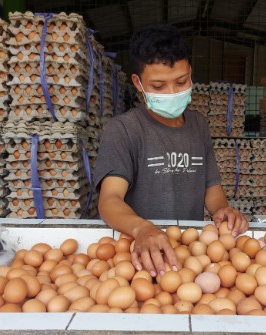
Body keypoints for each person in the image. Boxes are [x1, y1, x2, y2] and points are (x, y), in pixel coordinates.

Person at [94, 24, 248, 278]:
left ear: (190, 73)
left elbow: (211, 189)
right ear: (138, 83)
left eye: (180, 82)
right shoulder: (124, 130)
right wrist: (142, 229)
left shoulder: (199, 125)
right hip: (141, 253)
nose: (172, 93)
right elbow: (109, 200)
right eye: (158, 86)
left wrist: (223, 210)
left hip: (188, 253)